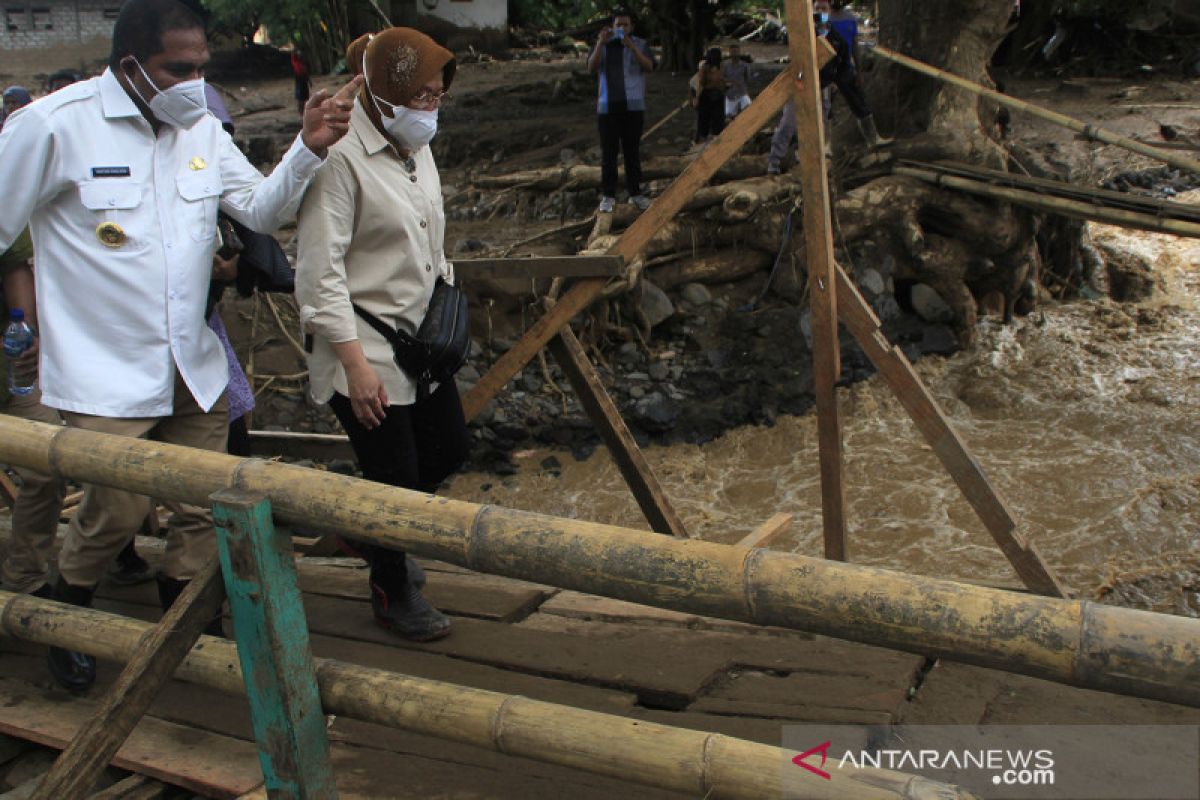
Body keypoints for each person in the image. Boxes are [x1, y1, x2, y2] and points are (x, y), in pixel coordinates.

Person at [0, 0, 359, 691]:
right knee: (117, 511)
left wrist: (307, 147)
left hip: (192, 365)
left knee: (203, 505)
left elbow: (258, 209)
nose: (196, 82)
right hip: (103, 370)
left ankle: (186, 623)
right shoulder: (50, 127)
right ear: (132, 66)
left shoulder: (197, 125)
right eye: (181, 68)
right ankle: (67, 608)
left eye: (203, 67)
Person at [295, 27, 468, 642]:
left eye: (437, 93)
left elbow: (428, 234)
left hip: (418, 342)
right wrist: (355, 367)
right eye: (420, 94)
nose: (431, 105)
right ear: (384, 92)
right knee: (394, 477)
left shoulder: (413, 145)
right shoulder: (339, 159)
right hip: (362, 349)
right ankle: (392, 590)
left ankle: (365, 532)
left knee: (449, 448)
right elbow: (319, 273)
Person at [0, 229, 65, 600]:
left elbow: (15, 266)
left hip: (11, 371)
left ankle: (24, 572)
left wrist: (26, 330)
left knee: (45, 464)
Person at [766, 1, 891, 174]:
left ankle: (864, 140)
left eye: (824, 9)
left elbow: (847, 55)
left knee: (833, 111)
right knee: (790, 122)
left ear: (829, 11)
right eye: (817, 9)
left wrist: (850, 75)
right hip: (803, 81)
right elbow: (797, 57)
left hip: (831, 77)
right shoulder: (805, 33)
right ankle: (776, 162)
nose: (820, 12)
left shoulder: (838, 34)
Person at [587, 10, 655, 213]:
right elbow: (591, 68)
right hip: (608, 106)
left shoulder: (640, 44)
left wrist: (632, 47)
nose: (621, 29)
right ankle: (608, 195)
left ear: (632, 27)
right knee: (609, 153)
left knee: (632, 151)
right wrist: (600, 43)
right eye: (618, 25)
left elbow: (649, 66)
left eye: (625, 25)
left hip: (633, 106)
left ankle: (635, 192)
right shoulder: (604, 44)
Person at [693, 47, 725, 145]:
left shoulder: (721, 66)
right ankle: (702, 139)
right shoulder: (705, 67)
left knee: (717, 119)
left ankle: (715, 139)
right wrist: (697, 98)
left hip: (718, 95)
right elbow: (701, 83)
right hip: (706, 95)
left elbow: (722, 80)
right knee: (704, 119)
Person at [722, 43, 752, 121]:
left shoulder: (745, 65)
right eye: (732, 52)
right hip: (730, 94)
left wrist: (744, 87)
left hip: (742, 92)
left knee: (749, 108)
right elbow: (722, 78)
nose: (734, 54)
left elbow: (748, 79)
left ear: (739, 52)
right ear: (729, 52)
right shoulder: (725, 65)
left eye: (736, 51)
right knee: (728, 116)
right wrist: (728, 82)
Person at [291, 48, 312, 116]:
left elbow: (306, 73)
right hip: (299, 80)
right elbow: (293, 56)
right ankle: (301, 111)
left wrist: (309, 81)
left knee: (305, 97)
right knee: (300, 98)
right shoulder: (296, 62)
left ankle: (304, 111)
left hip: (303, 80)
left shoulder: (303, 63)